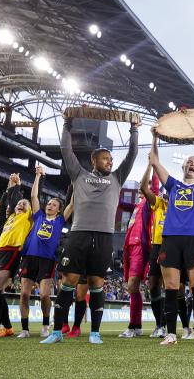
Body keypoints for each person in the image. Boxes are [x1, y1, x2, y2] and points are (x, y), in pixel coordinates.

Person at [42, 112, 139, 345]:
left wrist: (134, 129)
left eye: (111, 160)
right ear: (94, 160)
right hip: (79, 235)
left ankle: (95, 332)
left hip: (104, 237)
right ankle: (57, 332)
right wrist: (67, 124)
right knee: (69, 281)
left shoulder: (117, 178)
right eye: (106, 159)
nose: (110, 162)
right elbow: (67, 151)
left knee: (96, 284)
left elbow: (132, 154)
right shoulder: (79, 175)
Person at [149, 122, 194, 346]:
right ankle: (171, 333)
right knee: (171, 289)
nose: (192, 164)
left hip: (193, 240)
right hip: (170, 239)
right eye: (189, 162)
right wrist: (154, 137)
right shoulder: (172, 185)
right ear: (183, 167)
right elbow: (154, 161)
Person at [17, 166, 74, 338]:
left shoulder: (60, 220)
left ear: (58, 209)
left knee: (43, 295)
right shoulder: (39, 216)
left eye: (53, 204)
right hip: (29, 257)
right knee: (25, 294)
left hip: (47, 260)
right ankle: (25, 329)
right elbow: (34, 196)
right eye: (49, 203)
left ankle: (44, 325)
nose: (49, 205)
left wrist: (78, 184)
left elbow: (72, 203)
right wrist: (37, 176)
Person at [0, 174, 32, 337]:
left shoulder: (26, 218)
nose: (20, 205)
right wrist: (9, 188)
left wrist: (16, 187)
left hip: (12, 251)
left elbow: (16, 200)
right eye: (19, 204)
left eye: (24, 204)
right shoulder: (10, 218)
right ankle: (7, 327)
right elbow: (3, 208)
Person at [118, 178, 157, 338]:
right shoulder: (137, 205)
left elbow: (154, 187)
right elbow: (120, 203)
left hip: (140, 246)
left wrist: (152, 164)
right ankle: (137, 326)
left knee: (134, 284)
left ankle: (134, 326)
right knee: (131, 287)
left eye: (145, 185)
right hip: (128, 246)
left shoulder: (149, 203)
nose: (142, 187)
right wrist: (115, 185)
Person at [137, 166, 170, 338]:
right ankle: (160, 325)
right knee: (154, 286)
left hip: (174, 245)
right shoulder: (159, 203)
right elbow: (144, 188)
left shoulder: (181, 206)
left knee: (174, 288)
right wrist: (151, 166)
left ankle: (179, 326)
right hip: (157, 246)